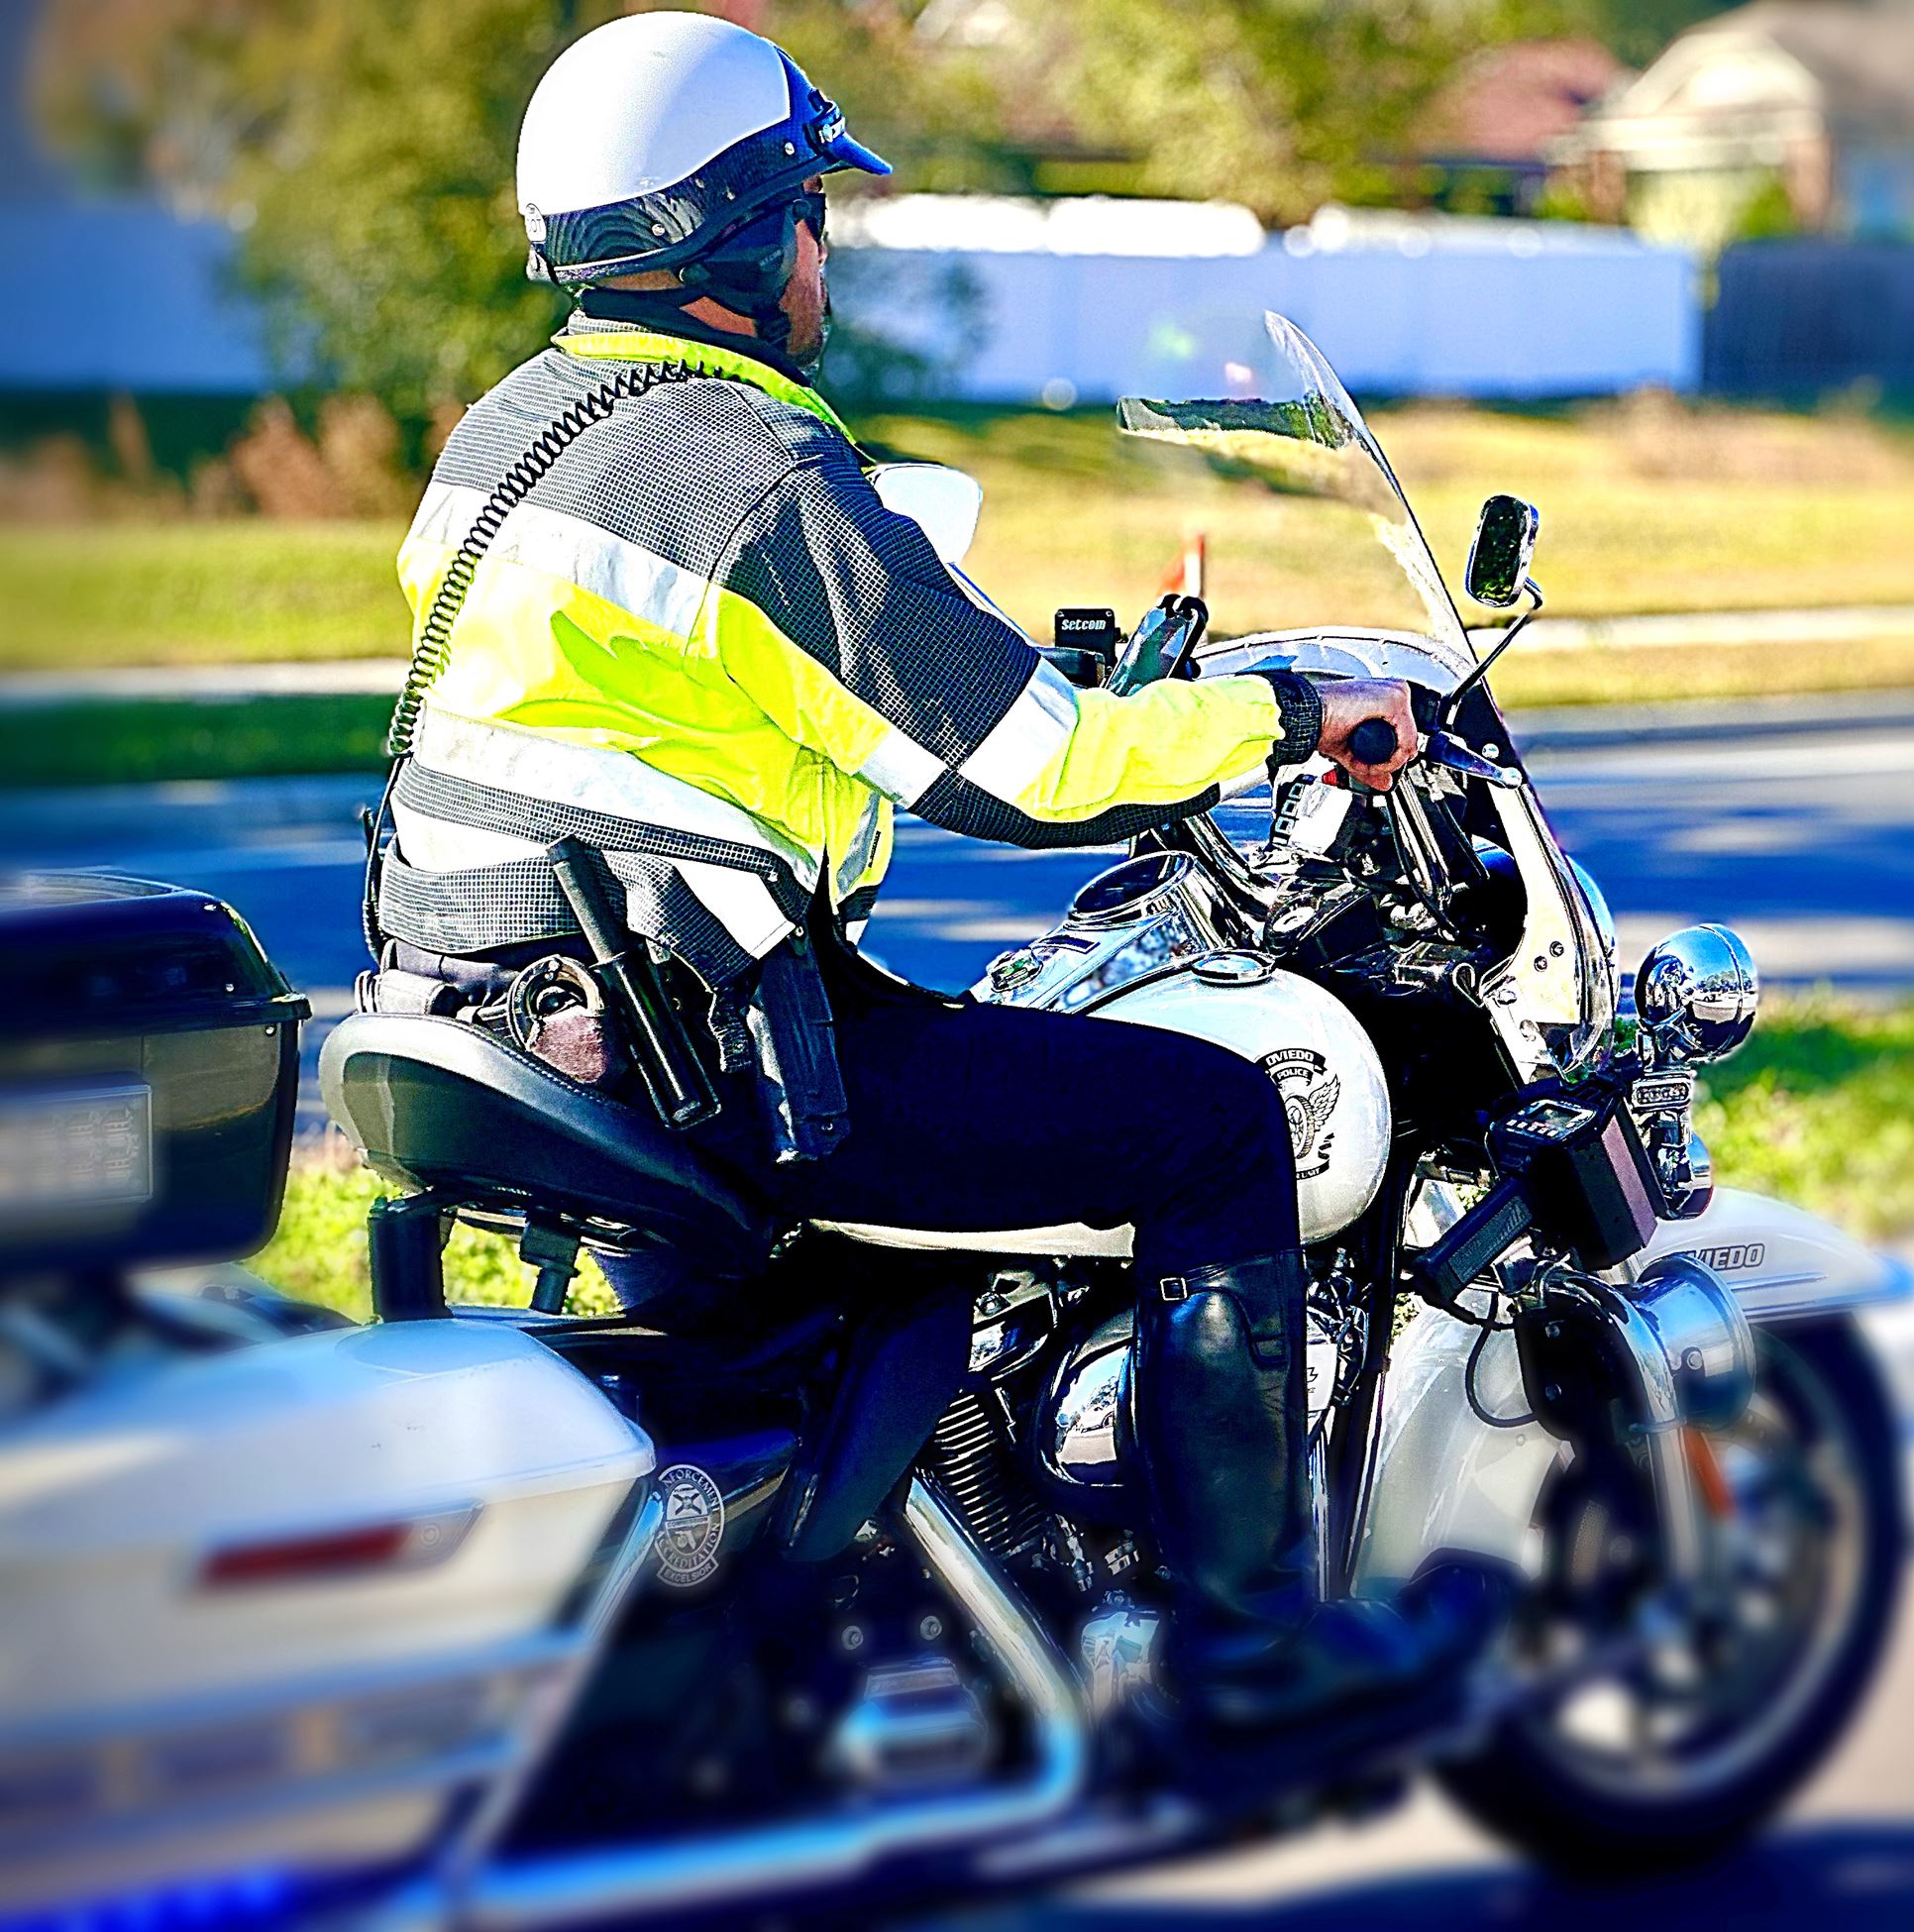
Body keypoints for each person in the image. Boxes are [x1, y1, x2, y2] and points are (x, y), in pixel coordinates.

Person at [366, 10, 1494, 1756]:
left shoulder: (517, 434)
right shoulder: (752, 467)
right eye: (810, 205)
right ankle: (1248, 1651)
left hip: (505, 1011)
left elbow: (695, 710)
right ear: (740, 235)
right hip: (710, 1047)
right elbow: (1029, 769)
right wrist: (1284, 708)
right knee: (1213, 1127)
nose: (826, 245)